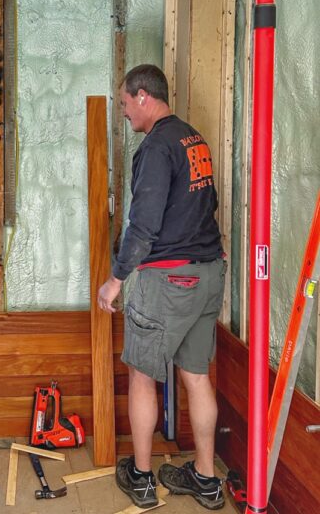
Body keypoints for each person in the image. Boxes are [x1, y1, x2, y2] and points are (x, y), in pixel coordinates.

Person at [97, 64, 226, 510]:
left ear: (144, 96)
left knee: (142, 374)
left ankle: (143, 477)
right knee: (196, 376)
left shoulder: (155, 148)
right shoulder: (195, 140)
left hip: (168, 277)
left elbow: (144, 224)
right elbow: (205, 205)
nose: (124, 112)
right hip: (208, 273)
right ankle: (207, 480)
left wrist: (116, 280)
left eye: (125, 103)